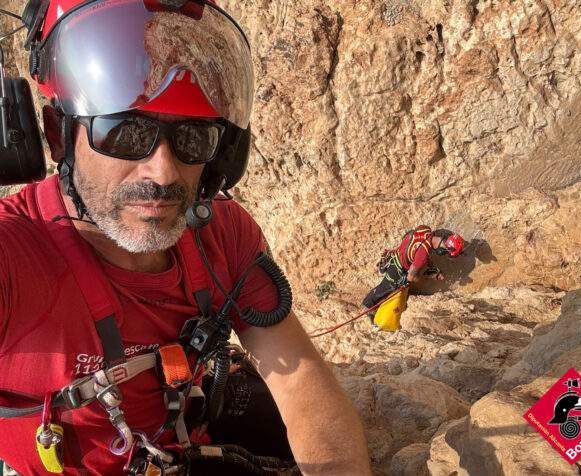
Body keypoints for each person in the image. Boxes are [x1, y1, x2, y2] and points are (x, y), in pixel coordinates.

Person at [0, 1, 371, 475]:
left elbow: (299, 383)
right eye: (127, 132)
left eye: (192, 138)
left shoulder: (223, 232)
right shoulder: (16, 254)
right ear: (57, 135)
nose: (163, 172)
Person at [362, 226, 464, 319]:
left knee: (385, 289)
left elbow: (407, 237)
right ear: (445, 248)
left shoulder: (425, 230)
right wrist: (428, 277)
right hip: (397, 271)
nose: (445, 254)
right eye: (446, 252)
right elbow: (411, 277)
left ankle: (373, 306)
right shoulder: (422, 256)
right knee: (385, 289)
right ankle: (367, 306)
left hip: (395, 257)